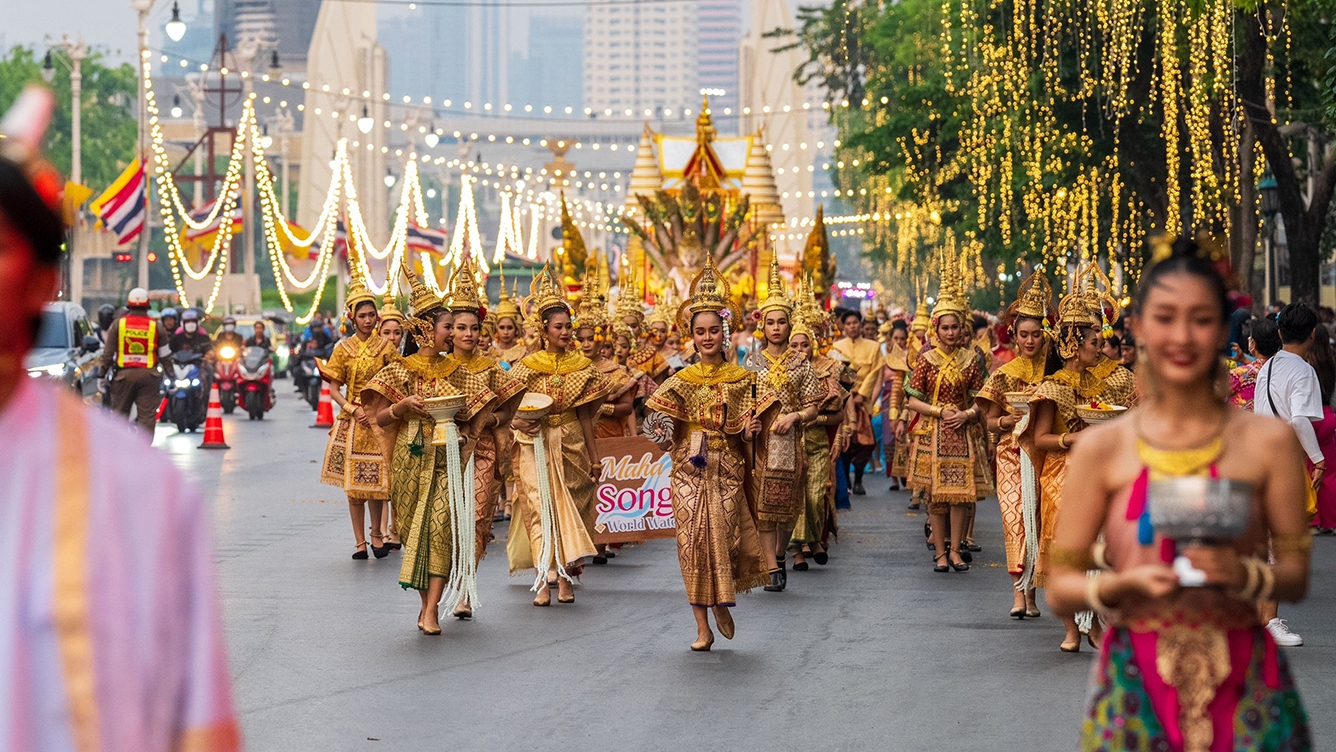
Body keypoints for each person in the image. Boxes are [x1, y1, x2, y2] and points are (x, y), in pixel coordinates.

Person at [0, 82, 239, 752]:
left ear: (42, 281)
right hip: (141, 379)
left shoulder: (138, 488)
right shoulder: (141, 328)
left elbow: (198, 726)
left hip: (139, 383)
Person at [1047, 239, 1313, 750]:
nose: (1183, 336)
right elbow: (1061, 584)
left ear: (1223, 328)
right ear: (1139, 326)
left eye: (1202, 319)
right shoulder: (1104, 447)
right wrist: (1121, 584)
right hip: (1137, 684)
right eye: (1165, 318)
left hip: (1245, 682)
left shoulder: (1268, 442)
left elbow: (1296, 575)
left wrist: (1245, 575)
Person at [645, 252, 768, 650]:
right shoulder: (679, 380)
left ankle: (721, 601)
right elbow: (654, 423)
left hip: (727, 468)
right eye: (700, 332)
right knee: (691, 544)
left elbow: (751, 435)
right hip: (688, 470)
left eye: (714, 330)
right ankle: (702, 626)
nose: (707, 337)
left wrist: (749, 433)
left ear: (725, 333)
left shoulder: (742, 380)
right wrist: (664, 438)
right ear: (692, 336)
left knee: (726, 540)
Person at [1027, 265, 1136, 652]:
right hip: (1062, 474)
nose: (1100, 348)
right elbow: (1040, 438)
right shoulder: (1052, 386)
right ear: (1073, 344)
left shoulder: (1106, 382)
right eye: (1093, 342)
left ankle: (1097, 622)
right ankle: (1072, 628)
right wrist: (1075, 438)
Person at [362, 266, 468, 636]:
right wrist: (402, 407)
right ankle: (426, 605)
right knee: (415, 532)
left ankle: (433, 609)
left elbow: (477, 410)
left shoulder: (458, 370)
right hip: (410, 454)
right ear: (425, 330)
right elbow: (379, 417)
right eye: (448, 327)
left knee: (441, 529)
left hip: (446, 455)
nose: (453, 334)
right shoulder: (400, 369)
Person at [506, 265, 610, 606]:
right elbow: (506, 405)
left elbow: (585, 415)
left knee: (571, 510)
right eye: (559, 327)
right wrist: (518, 423)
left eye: (568, 326)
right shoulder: (526, 367)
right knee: (540, 508)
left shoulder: (583, 367)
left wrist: (595, 458)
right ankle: (542, 580)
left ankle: (565, 578)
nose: (566, 332)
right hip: (535, 442)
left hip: (571, 440)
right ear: (544, 330)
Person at [438, 257, 525, 616]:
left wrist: (493, 418)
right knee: (446, 520)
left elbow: (510, 408)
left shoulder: (492, 368)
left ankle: (466, 589)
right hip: (444, 451)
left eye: (474, 328)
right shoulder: (437, 367)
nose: (469, 334)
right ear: (450, 331)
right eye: (461, 327)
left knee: (475, 519)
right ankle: (443, 583)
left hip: (484, 450)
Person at [904, 258, 992, 574]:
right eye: (945, 328)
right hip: (933, 433)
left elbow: (982, 398)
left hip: (962, 433)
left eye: (955, 327)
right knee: (936, 499)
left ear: (962, 329)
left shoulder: (972, 359)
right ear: (936, 329)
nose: (951, 332)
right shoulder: (926, 360)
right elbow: (913, 401)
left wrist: (967, 414)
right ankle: (940, 552)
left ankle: (956, 551)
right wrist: (940, 411)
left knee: (959, 497)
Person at [976, 269, 1052, 618]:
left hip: (1046, 453)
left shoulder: (1056, 375)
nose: (1030, 341)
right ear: (1014, 336)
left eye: (1036, 334)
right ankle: (1018, 593)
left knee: (1038, 520)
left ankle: (1032, 595)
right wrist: (1007, 421)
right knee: (1015, 519)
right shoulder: (1004, 374)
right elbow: (989, 421)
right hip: (1010, 453)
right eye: (1024, 335)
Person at [746, 259, 822, 591]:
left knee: (789, 510)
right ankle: (772, 566)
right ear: (762, 326)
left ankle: (779, 552)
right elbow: (744, 403)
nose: (776, 328)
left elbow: (814, 407)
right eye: (770, 322)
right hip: (761, 445)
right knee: (763, 508)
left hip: (791, 444)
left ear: (790, 325)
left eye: (781, 322)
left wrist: (795, 416)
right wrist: (748, 424)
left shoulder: (801, 362)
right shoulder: (752, 361)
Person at [1253, 303, 1326, 648]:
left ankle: (1260, 619)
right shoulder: (1303, 371)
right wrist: (1318, 460)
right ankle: (1269, 621)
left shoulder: (1267, 367)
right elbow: (1298, 419)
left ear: (1280, 333)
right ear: (1313, 333)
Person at [319, 275, 400, 560]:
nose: (368, 320)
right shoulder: (343, 349)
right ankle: (359, 542)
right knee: (354, 489)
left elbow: (396, 383)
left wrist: (380, 411)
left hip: (380, 421)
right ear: (352, 318)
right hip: (354, 421)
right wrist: (353, 409)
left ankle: (377, 535)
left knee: (378, 484)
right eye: (362, 315)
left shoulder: (386, 348)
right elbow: (333, 389)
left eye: (371, 315)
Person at [789, 278, 850, 570]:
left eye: (805, 344)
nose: (801, 350)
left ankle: (814, 540)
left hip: (817, 441)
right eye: (795, 345)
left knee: (816, 496)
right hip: (789, 443)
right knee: (795, 497)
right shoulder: (779, 373)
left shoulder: (827, 370)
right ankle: (798, 551)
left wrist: (818, 421)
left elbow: (840, 412)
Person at [99, 287, 173, 433]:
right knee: (147, 417)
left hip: (123, 377)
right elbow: (165, 355)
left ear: (129, 305)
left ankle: (120, 445)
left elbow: (108, 354)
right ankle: (143, 446)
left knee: (119, 417)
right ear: (147, 305)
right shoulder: (156, 326)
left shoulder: (118, 324)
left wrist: (101, 375)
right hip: (149, 377)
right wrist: (172, 376)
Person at [832, 309, 882, 495]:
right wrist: (847, 395)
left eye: (855, 323)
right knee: (845, 441)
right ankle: (847, 481)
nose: (852, 326)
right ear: (843, 327)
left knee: (866, 443)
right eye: (848, 324)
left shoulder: (873, 347)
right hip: (844, 400)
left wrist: (862, 394)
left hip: (863, 401)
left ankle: (859, 479)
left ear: (860, 324)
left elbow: (875, 372)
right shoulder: (836, 347)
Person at [1304, 328, 1336, 534]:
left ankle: (1313, 521)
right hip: (1329, 417)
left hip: (1310, 417)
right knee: (1330, 473)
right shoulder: (1330, 364)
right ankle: (1332, 521)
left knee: (1310, 469)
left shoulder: (1305, 365)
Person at [882, 319, 910, 492]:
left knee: (906, 438)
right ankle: (893, 478)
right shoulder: (885, 359)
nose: (899, 342)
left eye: (902, 339)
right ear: (890, 339)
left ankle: (906, 474)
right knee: (889, 438)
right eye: (896, 338)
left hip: (907, 400)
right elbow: (878, 382)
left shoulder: (910, 358)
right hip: (887, 400)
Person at [1228, 318, 1277, 411]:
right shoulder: (1281, 371)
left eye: (1250, 337)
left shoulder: (1238, 375)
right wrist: (1244, 359)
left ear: (1253, 344)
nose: (1248, 339)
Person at [492, 270, 527, 367]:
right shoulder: (490, 352)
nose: (506, 332)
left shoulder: (523, 352)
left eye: (510, 328)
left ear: (516, 329)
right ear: (496, 328)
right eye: (502, 327)